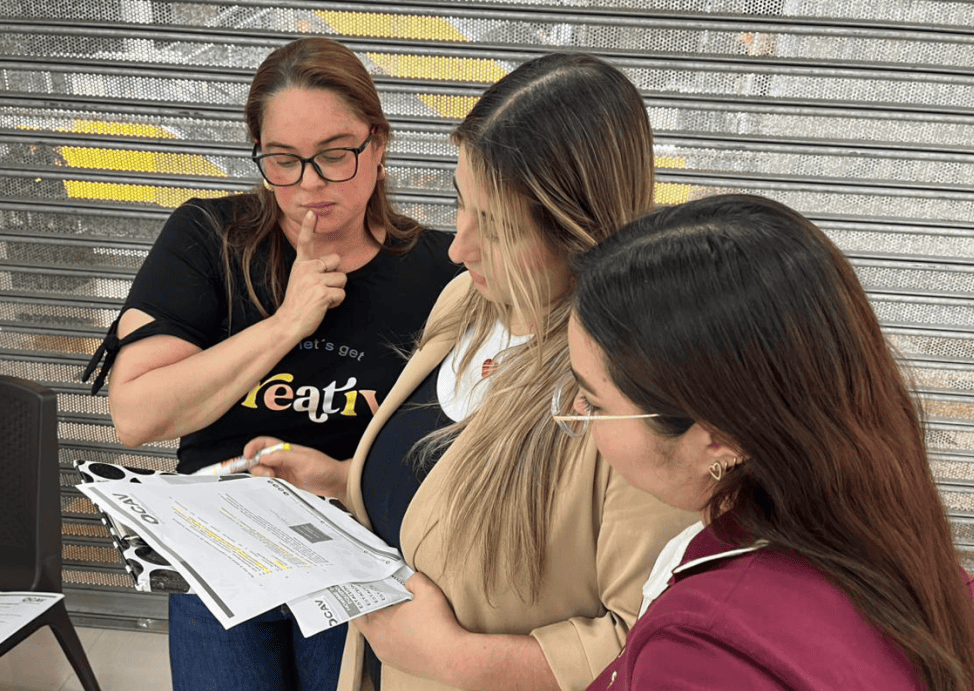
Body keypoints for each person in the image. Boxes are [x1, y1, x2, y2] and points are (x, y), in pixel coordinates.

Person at [251, 52, 696, 691]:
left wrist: (457, 659)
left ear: (582, 231)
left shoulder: (628, 389)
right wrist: (345, 479)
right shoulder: (465, 302)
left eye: (500, 227)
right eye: (461, 203)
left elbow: (653, 644)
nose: (459, 247)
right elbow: (444, 492)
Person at [82, 37, 460, 691]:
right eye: (284, 160)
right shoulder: (209, 238)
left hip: (361, 549)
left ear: (378, 143)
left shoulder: (440, 269)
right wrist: (287, 323)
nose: (310, 184)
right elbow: (136, 414)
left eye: (335, 155)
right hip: (221, 543)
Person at [555, 194, 974, 690]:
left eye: (594, 402)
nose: (577, 413)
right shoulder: (898, 545)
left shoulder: (701, 653)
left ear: (719, 439)